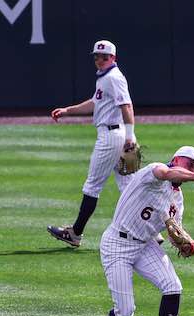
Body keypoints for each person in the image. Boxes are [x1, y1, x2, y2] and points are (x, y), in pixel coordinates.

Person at [100, 146, 194, 316]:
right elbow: (168, 174)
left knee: (173, 287)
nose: (193, 170)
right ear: (176, 159)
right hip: (117, 243)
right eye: (190, 165)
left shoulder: (177, 200)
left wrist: (186, 243)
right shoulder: (155, 171)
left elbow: (173, 232)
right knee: (126, 311)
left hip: (146, 245)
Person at [47, 39, 137, 248]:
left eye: (104, 57)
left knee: (93, 186)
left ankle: (75, 233)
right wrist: (68, 111)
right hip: (121, 135)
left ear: (113, 58)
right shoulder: (106, 78)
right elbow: (95, 103)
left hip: (113, 137)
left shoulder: (113, 78)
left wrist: (130, 137)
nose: (100, 60)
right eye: (97, 56)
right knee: (130, 186)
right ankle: (150, 234)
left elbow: (127, 106)